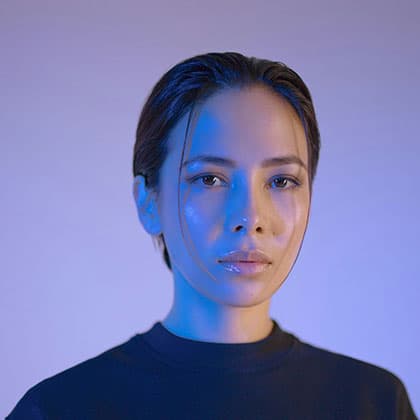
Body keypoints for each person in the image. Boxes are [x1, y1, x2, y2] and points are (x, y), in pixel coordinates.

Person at [7, 52, 417, 419]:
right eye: (210, 179)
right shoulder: (61, 409)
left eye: (282, 181)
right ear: (149, 202)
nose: (251, 217)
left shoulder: (374, 402)